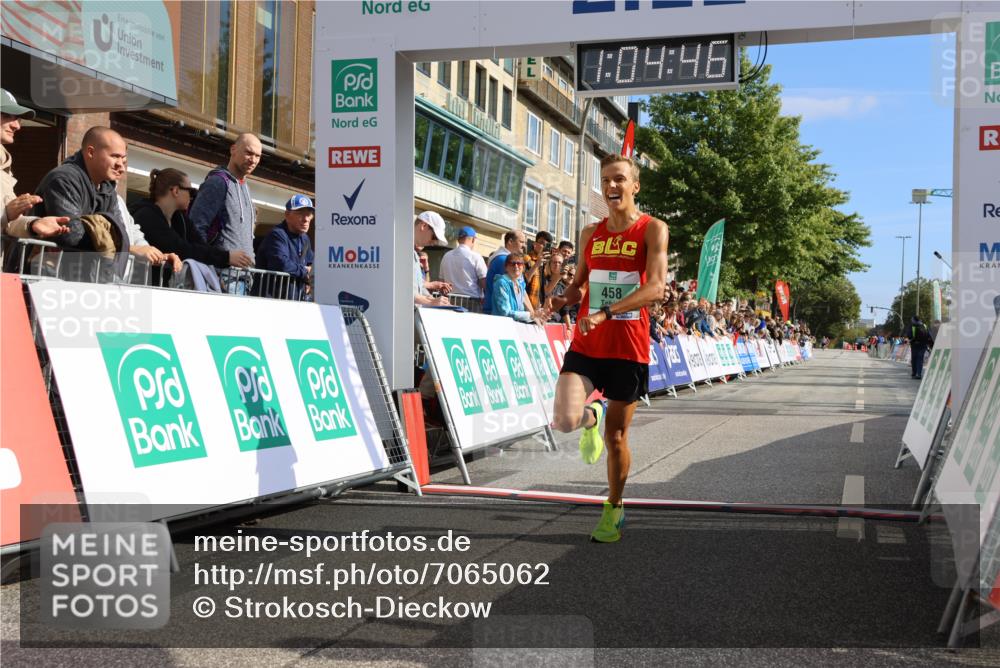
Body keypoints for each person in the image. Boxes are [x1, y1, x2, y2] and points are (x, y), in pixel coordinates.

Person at [545, 154, 668, 543]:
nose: (611, 186)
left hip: (627, 347)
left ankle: (614, 507)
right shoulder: (590, 233)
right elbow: (579, 285)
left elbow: (656, 288)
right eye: (605, 180)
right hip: (587, 343)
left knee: (616, 438)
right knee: (564, 419)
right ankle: (590, 418)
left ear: (635, 186)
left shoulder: (653, 229)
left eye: (619, 179)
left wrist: (606, 313)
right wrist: (561, 298)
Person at [33, 127, 177, 272]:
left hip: (80, 276)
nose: (121, 166)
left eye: (123, 159)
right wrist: (130, 249)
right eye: (115, 156)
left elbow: (120, 233)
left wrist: (155, 254)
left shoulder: (107, 189)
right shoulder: (64, 179)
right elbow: (72, 235)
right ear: (91, 152)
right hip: (45, 275)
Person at [130, 168, 253, 270]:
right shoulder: (147, 216)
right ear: (175, 191)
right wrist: (226, 257)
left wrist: (224, 258)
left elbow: (200, 245)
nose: (193, 196)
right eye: (191, 191)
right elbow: (181, 249)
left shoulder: (180, 219)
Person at [1, 89, 69, 255]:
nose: (16, 125)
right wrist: (7, 213)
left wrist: (33, 224)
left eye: (17, 118)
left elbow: (8, 223)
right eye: (7, 115)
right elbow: (5, 216)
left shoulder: (3, 163)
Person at [189, 133, 262, 289]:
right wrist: (209, 269)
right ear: (233, 149)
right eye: (249, 153)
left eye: (258, 156)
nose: (253, 160)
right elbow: (196, 228)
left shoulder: (245, 187)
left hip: (243, 278)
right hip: (220, 277)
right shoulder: (217, 183)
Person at [256, 195, 315, 300]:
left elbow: (311, 263)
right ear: (287, 215)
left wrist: (310, 277)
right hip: (270, 301)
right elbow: (281, 263)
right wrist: (305, 272)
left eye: (309, 214)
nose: (306, 219)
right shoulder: (277, 234)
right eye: (300, 213)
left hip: (294, 301)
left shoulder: (305, 238)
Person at [483, 230, 527, 314]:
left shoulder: (505, 259)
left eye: (520, 264)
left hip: (507, 314)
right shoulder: (503, 259)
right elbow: (522, 295)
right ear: (510, 241)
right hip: (496, 314)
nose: (524, 245)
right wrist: (532, 315)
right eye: (521, 242)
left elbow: (521, 292)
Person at [492, 252, 542, 324]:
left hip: (515, 326)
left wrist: (536, 317)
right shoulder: (501, 283)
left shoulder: (520, 285)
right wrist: (530, 315)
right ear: (506, 267)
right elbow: (505, 312)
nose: (516, 266)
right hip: (501, 326)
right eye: (512, 263)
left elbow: (521, 313)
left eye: (519, 263)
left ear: (523, 267)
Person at [439, 226, 487, 299]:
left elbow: (441, 281)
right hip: (471, 300)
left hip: (449, 299)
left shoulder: (446, 256)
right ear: (473, 240)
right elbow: (484, 282)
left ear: (458, 240)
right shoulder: (476, 256)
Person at [413, 211, 449, 306]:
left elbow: (418, 287)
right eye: (434, 237)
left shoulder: (414, 254)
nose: (434, 242)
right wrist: (431, 301)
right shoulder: (400, 250)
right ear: (423, 226)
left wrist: (435, 300)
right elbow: (402, 288)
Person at [524, 230, 554, 308]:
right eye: (542, 243)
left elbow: (547, 286)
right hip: (528, 305)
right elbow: (524, 280)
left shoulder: (547, 264)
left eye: (547, 245)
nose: (543, 246)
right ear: (535, 244)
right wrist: (537, 264)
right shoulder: (527, 258)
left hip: (540, 306)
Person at [909, 315, 933, 379]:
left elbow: (909, 335)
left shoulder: (912, 326)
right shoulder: (924, 325)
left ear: (914, 320)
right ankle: (919, 374)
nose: (911, 320)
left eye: (912, 319)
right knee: (920, 359)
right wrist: (930, 344)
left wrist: (911, 340)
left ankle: (914, 373)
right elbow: (929, 335)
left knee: (914, 359)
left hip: (914, 345)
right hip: (923, 345)